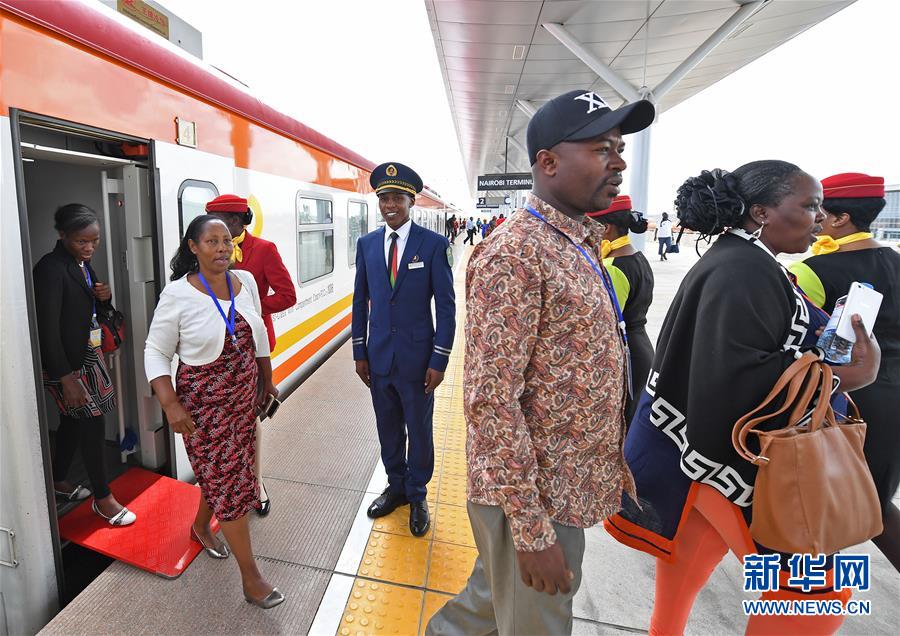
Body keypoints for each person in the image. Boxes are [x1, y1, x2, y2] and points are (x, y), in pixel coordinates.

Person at [604, 161, 881, 635]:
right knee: (819, 593)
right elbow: (737, 380)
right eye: (809, 205)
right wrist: (849, 373)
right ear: (761, 212)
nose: (820, 216)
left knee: (691, 554)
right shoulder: (744, 270)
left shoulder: (744, 261)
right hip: (730, 456)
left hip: (693, 449)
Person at [428, 89, 654, 635]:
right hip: (535, 499)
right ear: (548, 162)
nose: (619, 162)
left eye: (620, 148)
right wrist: (531, 532)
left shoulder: (574, 243)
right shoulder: (516, 253)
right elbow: (490, 402)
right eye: (602, 148)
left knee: (486, 606)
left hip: (563, 486)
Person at [144, 215, 284, 608]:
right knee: (233, 484)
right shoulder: (177, 294)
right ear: (193, 247)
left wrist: (267, 381)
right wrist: (170, 404)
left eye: (226, 241)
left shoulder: (246, 282)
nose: (222, 248)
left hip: (243, 400)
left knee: (224, 473)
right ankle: (252, 579)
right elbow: (155, 351)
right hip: (203, 408)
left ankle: (201, 526)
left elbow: (258, 337)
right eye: (211, 241)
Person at [789, 172, 900, 573]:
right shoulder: (896, 261)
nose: (815, 217)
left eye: (820, 209)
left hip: (848, 396)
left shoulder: (812, 271)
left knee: (827, 503)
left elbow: (797, 340)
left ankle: (812, 594)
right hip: (895, 396)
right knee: (875, 497)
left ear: (841, 219)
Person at [352, 162, 455, 537]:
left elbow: (446, 308)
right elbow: (360, 301)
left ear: (411, 201)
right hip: (379, 357)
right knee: (388, 428)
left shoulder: (434, 245)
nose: (390, 205)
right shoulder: (366, 245)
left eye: (397, 198)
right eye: (384, 198)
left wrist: (439, 358)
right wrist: (359, 352)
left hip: (417, 360)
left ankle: (417, 494)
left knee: (419, 430)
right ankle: (395, 486)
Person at [34, 204, 136, 526]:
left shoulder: (82, 264)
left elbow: (90, 310)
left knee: (72, 420)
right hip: (65, 363)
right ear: (62, 235)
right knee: (92, 422)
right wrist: (66, 378)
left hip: (87, 354)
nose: (90, 247)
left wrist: (104, 297)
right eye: (82, 241)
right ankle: (103, 500)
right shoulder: (50, 269)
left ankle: (58, 480)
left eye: (95, 241)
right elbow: (46, 329)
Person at [204, 193, 297, 517]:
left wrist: (250, 309)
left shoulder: (264, 250)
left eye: (222, 222)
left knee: (249, 417)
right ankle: (227, 478)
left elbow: (287, 295)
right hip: (215, 349)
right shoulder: (205, 248)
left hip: (253, 349)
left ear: (238, 221)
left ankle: (256, 483)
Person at [586, 194, 655, 424]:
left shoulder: (612, 267)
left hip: (626, 354)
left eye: (589, 226)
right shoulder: (637, 258)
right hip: (641, 347)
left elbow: (604, 324)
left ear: (605, 228)